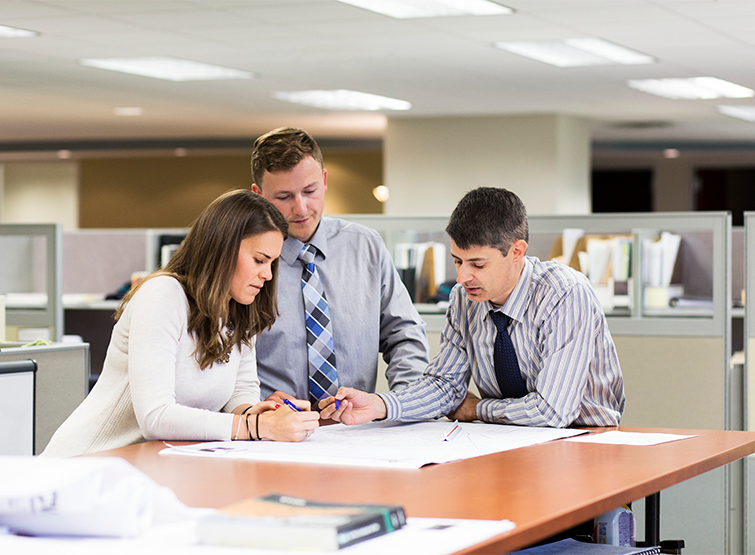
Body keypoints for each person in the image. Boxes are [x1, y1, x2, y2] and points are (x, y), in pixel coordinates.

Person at [43, 189, 319, 457]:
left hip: (150, 464)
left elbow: (239, 392)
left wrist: (256, 413)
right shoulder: (163, 295)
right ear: (221, 249)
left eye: (271, 263)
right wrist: (255, 428)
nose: (268, 275)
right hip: (87, 463)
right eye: (260, 260)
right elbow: (156, 417)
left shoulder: (239, 308)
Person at [320, 187, 626, 428]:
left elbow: (552, 411)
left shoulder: (564, 294)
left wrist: (477, 408)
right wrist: (380, 405)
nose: (463, 277)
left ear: (516, 251)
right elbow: (444, 386)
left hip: (583, 437)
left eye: (477, 264)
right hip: (505, 437)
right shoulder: (464, 299)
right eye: (457, 261)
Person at [250, 127, 429, 406]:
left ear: (324, 181)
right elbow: (222, 356)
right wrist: (252, 401)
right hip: (275, 430)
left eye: (310, 191)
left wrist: (400, 403)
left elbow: (404, 334)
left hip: (355, 430)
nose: (300, 208)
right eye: (283, 197)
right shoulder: (244, 258)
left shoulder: (365, 246)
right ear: (258, 194)